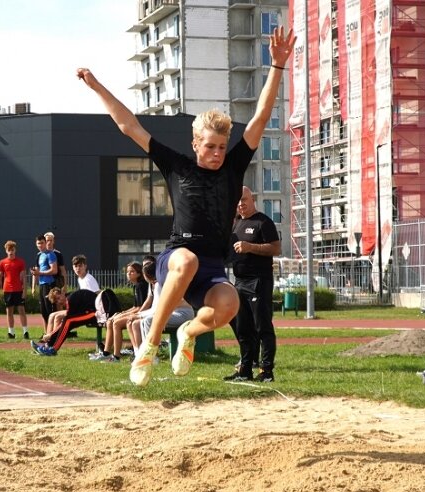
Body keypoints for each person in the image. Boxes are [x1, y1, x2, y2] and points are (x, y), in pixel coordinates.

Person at [77, 26, 295, 387]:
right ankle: (149, 345)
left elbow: (258, 119)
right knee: (187, 260)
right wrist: (97, 86)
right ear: (196, 143)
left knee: (229, 305)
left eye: (222, 147)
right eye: (210, 146)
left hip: (211, 268)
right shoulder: (177, 165)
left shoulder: (233, 166)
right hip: (177, 257)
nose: (217, 153)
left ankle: (187, 335)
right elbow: (128, 125)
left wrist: (277, 67)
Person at [227, 186, 281, 382]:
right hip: (239, 281)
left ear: (252, 199)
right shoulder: (237, 224)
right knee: (243, 328)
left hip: (259, 281)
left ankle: (266, 372)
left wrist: (250, 247)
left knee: (262, 327)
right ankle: (245, 370)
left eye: (244, 199)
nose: (241, 204)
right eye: (238, 201)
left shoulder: (263, 222)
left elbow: (276, 248)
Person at [128, 260, 194, 355]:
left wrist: (139, 315)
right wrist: (139, 315)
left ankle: (152, 355)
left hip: (183, 314)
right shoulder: (156, 285)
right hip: (174, 313)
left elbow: (159, 309)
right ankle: (143, 354)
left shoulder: (159, 285)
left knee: (148, 320)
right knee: (142, 321)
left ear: (146, 275)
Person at [91, 261, 149, 362]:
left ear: (139, 273)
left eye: (132, 272)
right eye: (127, 272)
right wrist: (122, 313)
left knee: (116, 323)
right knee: (110, 321)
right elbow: (135, 306)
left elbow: (140, 308)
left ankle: (116, 356)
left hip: (143, 314)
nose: (128, 274)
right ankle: (106, 352)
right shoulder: (136, 286)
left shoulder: (141, 286)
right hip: (138, 312)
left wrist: (123, 314)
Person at [31, 288, 98, 356]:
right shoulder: (69, 297)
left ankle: (53, 349)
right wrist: (51, 334)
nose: (59, 301)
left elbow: (66, 322)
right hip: (89, 311)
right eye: (56, 301)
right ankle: (48, 346)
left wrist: (50, 334)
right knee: (67, 321)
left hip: (95, 313)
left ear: (62, 293)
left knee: (68, 321)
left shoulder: (70, 300)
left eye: (59, 298)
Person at [0, 240, 30, 339]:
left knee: (21, 310)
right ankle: (11, 332)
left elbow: (23, 276)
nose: (11, 252)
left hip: (18, 290)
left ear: (15, 250)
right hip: (7, 290)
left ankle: (25, 331)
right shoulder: (2, 262)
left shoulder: (20, 262)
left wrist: (24, 291)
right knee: (9, 312)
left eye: (12, 250)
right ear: (6, 251)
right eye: (9, 250)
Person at [32, 234, 58, 330]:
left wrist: (40, 273)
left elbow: (54, 270)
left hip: (49, 285)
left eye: (42, 243)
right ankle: (47, 333)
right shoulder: (39, 255)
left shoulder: (50, 254)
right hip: (42, 285)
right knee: (43, 311)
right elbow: (37, 271)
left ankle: (54, 334)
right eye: (38, 243)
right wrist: (34, 285)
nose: (40, 245)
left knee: (50, 310)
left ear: (45, 243)